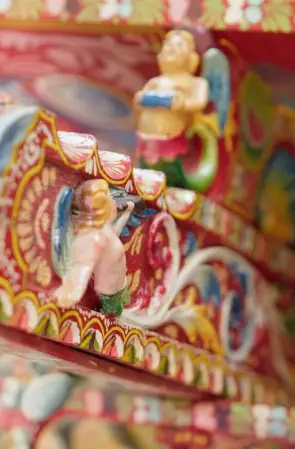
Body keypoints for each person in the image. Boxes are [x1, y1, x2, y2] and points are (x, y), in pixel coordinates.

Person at [133, 30, 211, 191]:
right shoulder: (154, 81)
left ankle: (172, 188)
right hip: (146, 140)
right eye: (167, 45)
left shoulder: (194, 82)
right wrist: (140, 99)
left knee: (170, 171)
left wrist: (182, 103)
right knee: (144, 171)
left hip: (172, 139)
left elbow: (199, 102)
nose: (171, 48)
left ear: (192, 57)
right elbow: (138, 103)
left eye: (178, 45)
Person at [53, 180, 134, 316]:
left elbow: (117, 230)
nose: (115, 203)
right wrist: (72, 294)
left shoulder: (105, 231)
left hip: (121, 288)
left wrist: (127, 213)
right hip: (110, 296)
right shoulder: (94, 239)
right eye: (110, 198)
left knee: (123, 309)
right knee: (113, 317)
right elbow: (82, 267)